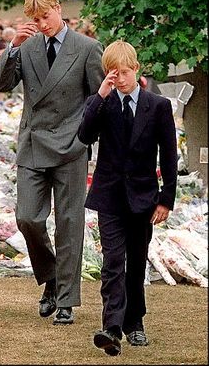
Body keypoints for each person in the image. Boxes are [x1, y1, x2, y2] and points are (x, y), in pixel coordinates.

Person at [0, 0, 104, 325]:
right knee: (27, 217)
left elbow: (99, 102)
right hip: (32, 143)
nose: (41, 24)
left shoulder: (87, 48)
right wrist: (12, 46)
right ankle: (52, 277)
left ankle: (67, 300)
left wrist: (92, 141)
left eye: (45, 16)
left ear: (58, 8)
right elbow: (0, 84)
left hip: (71, 147)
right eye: (35, 19)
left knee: (69, 224)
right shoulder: (25, 49)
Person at [78, 40, 177, 356]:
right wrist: (101, 95)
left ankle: (135, 324)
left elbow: (170, 156)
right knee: (112, 261)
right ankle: (111, 328)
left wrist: (166, 199)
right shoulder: (103, 104)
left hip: (143, 198)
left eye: (123, 72)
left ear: (135, 69)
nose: (118, 78)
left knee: (135, 263)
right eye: (112, 74)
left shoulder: (157, 106)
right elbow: (84, 136)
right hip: (109, 197)